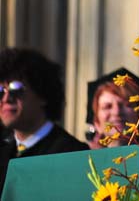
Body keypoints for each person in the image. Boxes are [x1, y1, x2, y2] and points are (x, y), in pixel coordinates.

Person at [0, 48, 88, 194]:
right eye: (0, 91)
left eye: (16, 89)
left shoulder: (72, 154)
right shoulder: (4, 151)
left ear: (42, 95)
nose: (6, 98)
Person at [86, 67, 139, 149]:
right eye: (107, 107)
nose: (117, 112)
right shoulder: (82, 160)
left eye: (126, 105)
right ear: (96, 123)